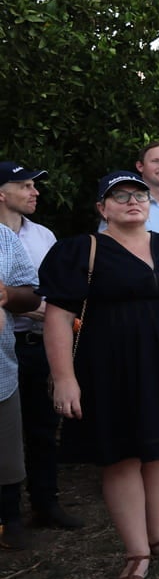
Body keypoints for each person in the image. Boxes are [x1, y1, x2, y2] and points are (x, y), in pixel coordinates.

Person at [40, 171, 159, 579]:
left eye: (138, 195)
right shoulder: (81, 251)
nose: (131, 201)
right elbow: (59, 317)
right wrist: (65, 378)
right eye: (118, 196)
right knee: (121, 455)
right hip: (110, 369)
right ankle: (136, 552)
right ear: (103, 209)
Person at [0, 162, 83, 532]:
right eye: (25, 186)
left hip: (36, 343)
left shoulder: (44, 237)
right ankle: (9, 515)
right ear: (2, 193)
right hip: (6, 344)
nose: (35, 193)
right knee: (6, 433)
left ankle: (46, 503)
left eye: (35, 185)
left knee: (42, 427)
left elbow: (56, 295)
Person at [0, 225, 39, 552]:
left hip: (2, 370)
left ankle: (11, 521)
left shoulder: (3, 237)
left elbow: (31, 294)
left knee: (8, 457)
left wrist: (8, 295)